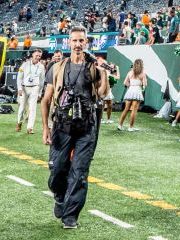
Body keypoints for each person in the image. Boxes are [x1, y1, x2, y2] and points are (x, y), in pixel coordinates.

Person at [41, 26, 109, 230]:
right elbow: (45, 100)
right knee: (57, 169)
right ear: (68, 43)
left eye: (82, 41)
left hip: (86, 127)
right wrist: (45, 127)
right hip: (62, 125)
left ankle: (70, 216)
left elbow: (103, 94)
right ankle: (60, 197)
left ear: (86, 43)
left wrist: (104, 73)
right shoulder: (57, 67)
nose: (78, 44)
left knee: (79, 172)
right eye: (74, 41)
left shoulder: (93, 69)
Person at [15, 48, 45, 135]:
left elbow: (42, 81)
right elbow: (19, 77)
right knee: (22, 108)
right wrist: (19, 88)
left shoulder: (41, 67)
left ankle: (30, 128)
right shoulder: (25, 65)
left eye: (39, 56)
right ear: (33, 55)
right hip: (24, 88)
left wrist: (40, 92)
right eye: (36, 55)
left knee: (33, 108)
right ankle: (19, 122)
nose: (38, 57)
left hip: (35, 88)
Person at [116, 59, 147, 132]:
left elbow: (125, 83)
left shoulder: (130, 72)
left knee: (126, 109)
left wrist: (131, 85)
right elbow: (145, 84)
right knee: (134, 110)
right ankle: (131, 127)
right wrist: (142, 82)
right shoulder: (143, 74)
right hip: (137, 91)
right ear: (141, 65)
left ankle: (120, 125)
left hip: (130, 90)